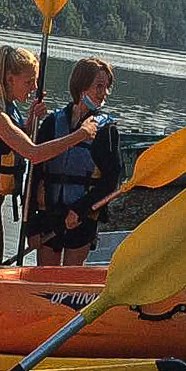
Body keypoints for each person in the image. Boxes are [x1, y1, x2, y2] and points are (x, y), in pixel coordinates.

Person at [0, 45, 98, 264]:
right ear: (9, 79)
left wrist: (31, 120)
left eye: (34, 81)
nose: (34, 88)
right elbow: (33, 153)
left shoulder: (6, 107)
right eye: (28, 82)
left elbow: (10, 142)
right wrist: (81, 135)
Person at [26, 57, 123, 267]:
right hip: (48, 216)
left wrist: (80, 209)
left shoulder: (106, 131)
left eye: (107, 87)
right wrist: (31, 226)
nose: (104, 93)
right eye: (99, 86)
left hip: (82, 219)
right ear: (81, 86)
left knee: (70, 283)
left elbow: (110, 182)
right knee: (44, 280)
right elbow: (34, 173)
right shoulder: (52, 123)